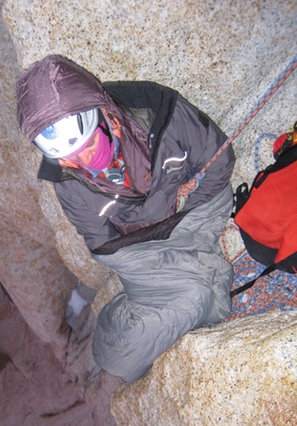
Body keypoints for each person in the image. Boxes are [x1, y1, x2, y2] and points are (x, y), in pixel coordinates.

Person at [17, 55, 235, 383]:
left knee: (200, 298)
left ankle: (123, 334)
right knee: (189, 299)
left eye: (88, 147)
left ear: (106, 116)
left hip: (196, 216)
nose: (89, 166)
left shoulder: (160, 113)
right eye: (70, 160)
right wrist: (161, 254)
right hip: (141, 251)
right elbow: (102, 243)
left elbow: (218, 162)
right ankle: (114, 335)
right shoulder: (67, 182)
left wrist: (184, 230)